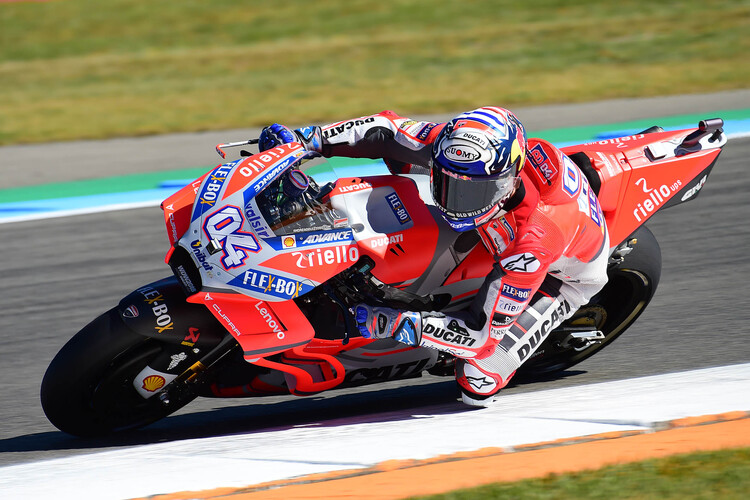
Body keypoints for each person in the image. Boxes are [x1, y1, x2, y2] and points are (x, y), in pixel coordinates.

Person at [258, 107, 610, 406]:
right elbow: (387, 128)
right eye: (448, 183)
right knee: (399, 163)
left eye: (474, 191)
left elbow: (479, 336)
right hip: (510, 224)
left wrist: (399, 323)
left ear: (508, 181)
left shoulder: (532, 245)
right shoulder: (456, 146)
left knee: (477, 380)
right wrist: (307, 140)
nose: (456, 200)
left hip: (562, 277)